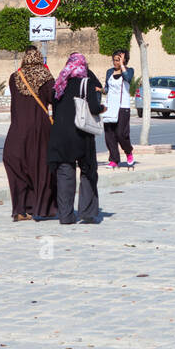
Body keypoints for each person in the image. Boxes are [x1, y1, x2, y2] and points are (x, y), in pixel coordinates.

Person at [47, 52, 103, 225]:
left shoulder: (59, 84)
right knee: (88, 171)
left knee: (65, 173)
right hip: (81, 134)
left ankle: (65, 215)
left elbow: (54, 109)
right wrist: (102, 108)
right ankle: (87, 211)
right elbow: (93, 107)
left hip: (60, 134)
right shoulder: (86, 83)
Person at [3, 46, 56, 222]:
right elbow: (52, 98)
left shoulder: (15, 77)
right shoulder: (46, 77)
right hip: (40, 129)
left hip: (17, 129)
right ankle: (41, 208)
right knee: (40, 167)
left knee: (17, 166)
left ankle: (20, 209)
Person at [103, 50, 135, 169]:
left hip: (123, 107)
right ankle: (114, 159)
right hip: (110, 107)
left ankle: (128, 152)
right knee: (109, 134)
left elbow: (127, 78)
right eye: (115, 60)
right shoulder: (109, 72)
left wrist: (122, 65)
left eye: (118, 60)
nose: (115, 62)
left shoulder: (129, 71)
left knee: (121, 134)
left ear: (124, 60)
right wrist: (100, 90)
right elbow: (107, 88)